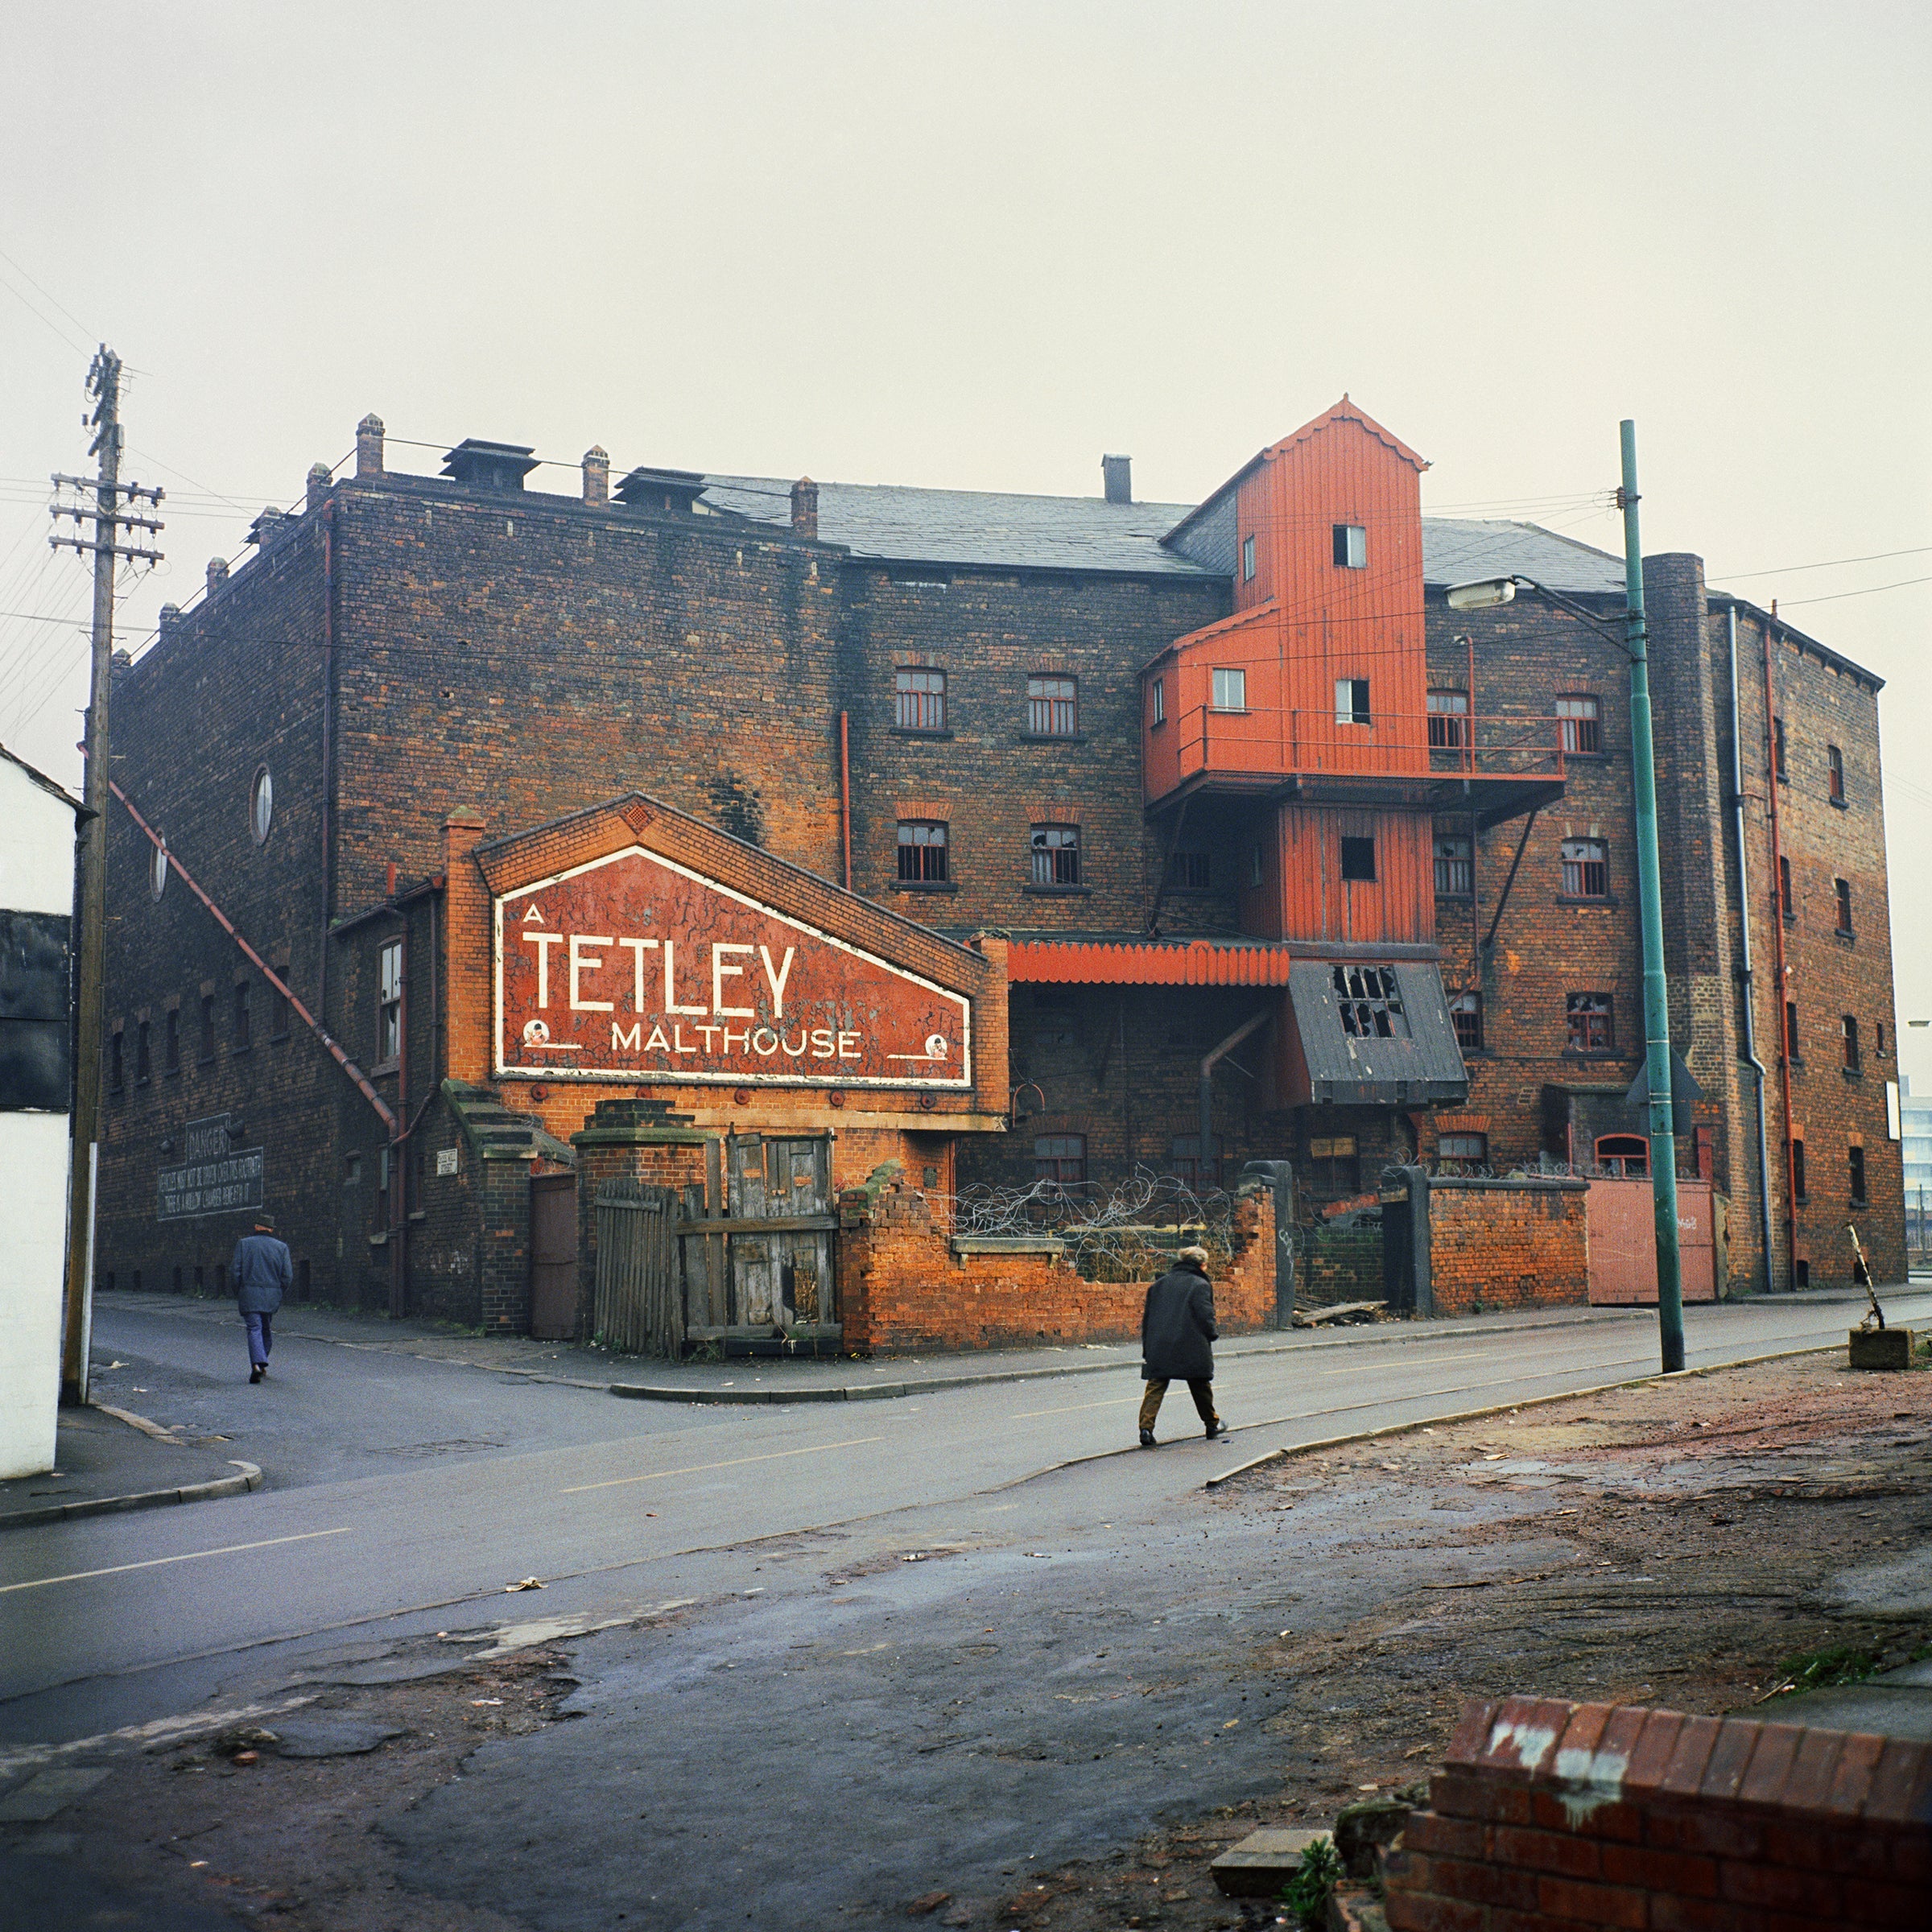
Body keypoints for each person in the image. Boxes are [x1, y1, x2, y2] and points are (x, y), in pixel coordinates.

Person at [1138, 1244, 1228, 1446]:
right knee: (1200, 1385)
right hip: (1190, 1345)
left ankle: (1146, 1429)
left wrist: (1147, 1346)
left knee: (1155, 1386)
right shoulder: (1200, 1285)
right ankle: (1212, 1424)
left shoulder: (1159, 1285)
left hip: (1159, 1344)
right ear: (1202, 1265)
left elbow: (1147, 1319)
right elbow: (1205, 1315)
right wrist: (1212, 1334)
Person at [232, 1212, 292, 1384]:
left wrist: (239, 1291)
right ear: (271, 1229)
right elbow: (287, 1276)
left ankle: (257, 1365)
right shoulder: (281, 1248)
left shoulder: (244, 1244)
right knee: (265, 1328)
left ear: (256, 1227)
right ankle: (262, 1362)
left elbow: (235, 1272)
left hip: (249, 1294)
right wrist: (279, 1292)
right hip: (271, 1296)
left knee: (254, 1328)